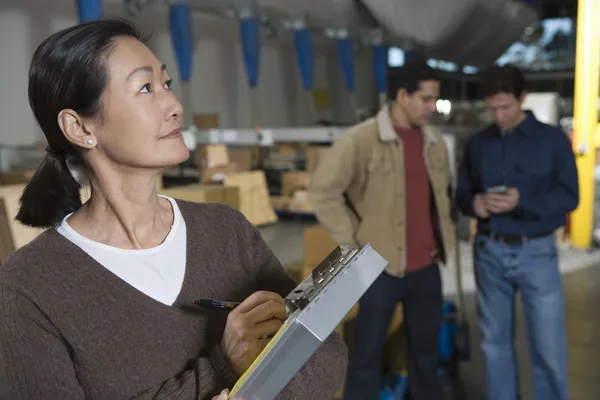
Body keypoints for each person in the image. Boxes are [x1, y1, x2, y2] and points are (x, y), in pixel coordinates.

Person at [0, 19, 347, 400]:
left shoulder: (226, 231)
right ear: (80, 127)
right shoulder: (29, 286)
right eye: (145, 88)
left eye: (166, 84)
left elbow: (325, 350)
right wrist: (221, 366)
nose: (175, 106)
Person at [308, 60, 455, 399]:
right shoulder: (362, 140)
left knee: (425, 354)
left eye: (435, 99)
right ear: (403, 96)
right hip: (379, 269)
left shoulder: (435, 143)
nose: (433, 107)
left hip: (427, 268)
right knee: (366, 356)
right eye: (426, 99)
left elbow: (441, 198)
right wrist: (356, 241)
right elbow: (323, 191)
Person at [455, 64, 578, 400]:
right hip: (489, 253)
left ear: (522, 98)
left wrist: (523, 200)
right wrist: (474, 204)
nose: (498, 116)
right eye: (492, 108)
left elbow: (571, 196)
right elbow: (463, 193)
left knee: (548, 350)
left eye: (506, 107)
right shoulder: (479, 144)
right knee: (494, 345)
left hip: (536, 252)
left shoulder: (552, 141)